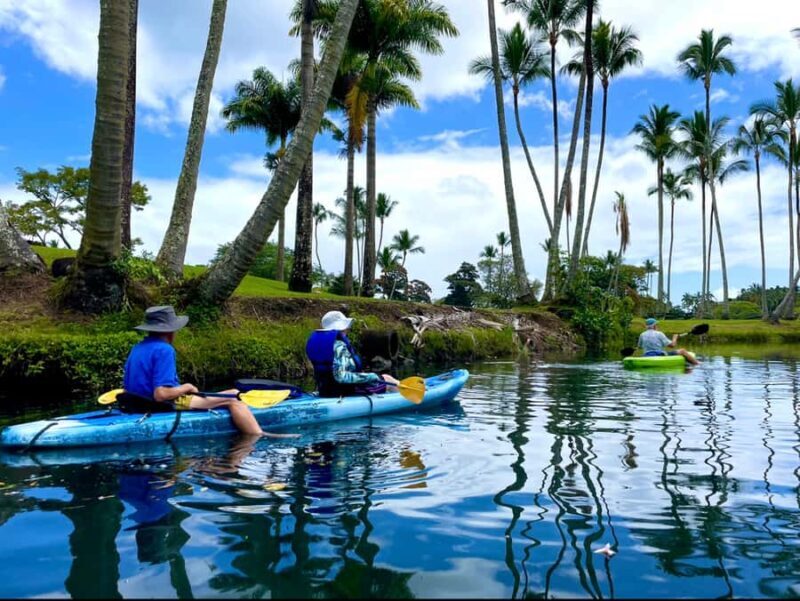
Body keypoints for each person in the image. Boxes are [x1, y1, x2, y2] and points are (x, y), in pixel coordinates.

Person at [123, 305, 286, 437]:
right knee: (234, 397)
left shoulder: (137, 347)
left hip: (136, 404)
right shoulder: (164, 349)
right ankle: (258, 435)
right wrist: (187, 387)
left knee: (231, 393)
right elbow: (161, 394)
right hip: (162, 404)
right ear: (169, 331)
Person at [305, 310, 399, 397]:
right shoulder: (339, 346)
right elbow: (341, 377)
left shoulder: (322, 343)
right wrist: (371, 376)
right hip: (344, 391)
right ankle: (408, 400)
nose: (347, 328)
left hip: (324, 389)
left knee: (385, 377)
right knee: (388, 380)